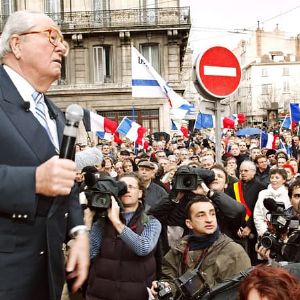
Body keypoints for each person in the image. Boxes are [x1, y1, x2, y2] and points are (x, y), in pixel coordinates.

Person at [0, 10, 89, 300]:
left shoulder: (55, 114)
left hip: (46, 276)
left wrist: (77, 231)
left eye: (62, 40)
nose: (62, 47)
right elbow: (44, 179)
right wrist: (32, 181)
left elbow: (67, 180)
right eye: (52, 37)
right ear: (17, 45)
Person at [150, 196, 251, 299]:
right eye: (201, 215)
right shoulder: (179, 248)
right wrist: (165, 287)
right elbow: (170, 278)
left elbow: (243, 292)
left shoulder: (234, 252)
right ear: (189, 224)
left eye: (212, 214)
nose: (209, 219)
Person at [86, 173, 162, 300]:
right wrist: (88, 220)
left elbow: (143, 248)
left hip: (136, 295)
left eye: (131, 186)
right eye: (122, 187)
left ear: (140, 193)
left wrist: (116, 222)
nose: (126, 190)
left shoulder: (151, 222)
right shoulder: (102, 222)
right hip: (100, 293)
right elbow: (89, 254)